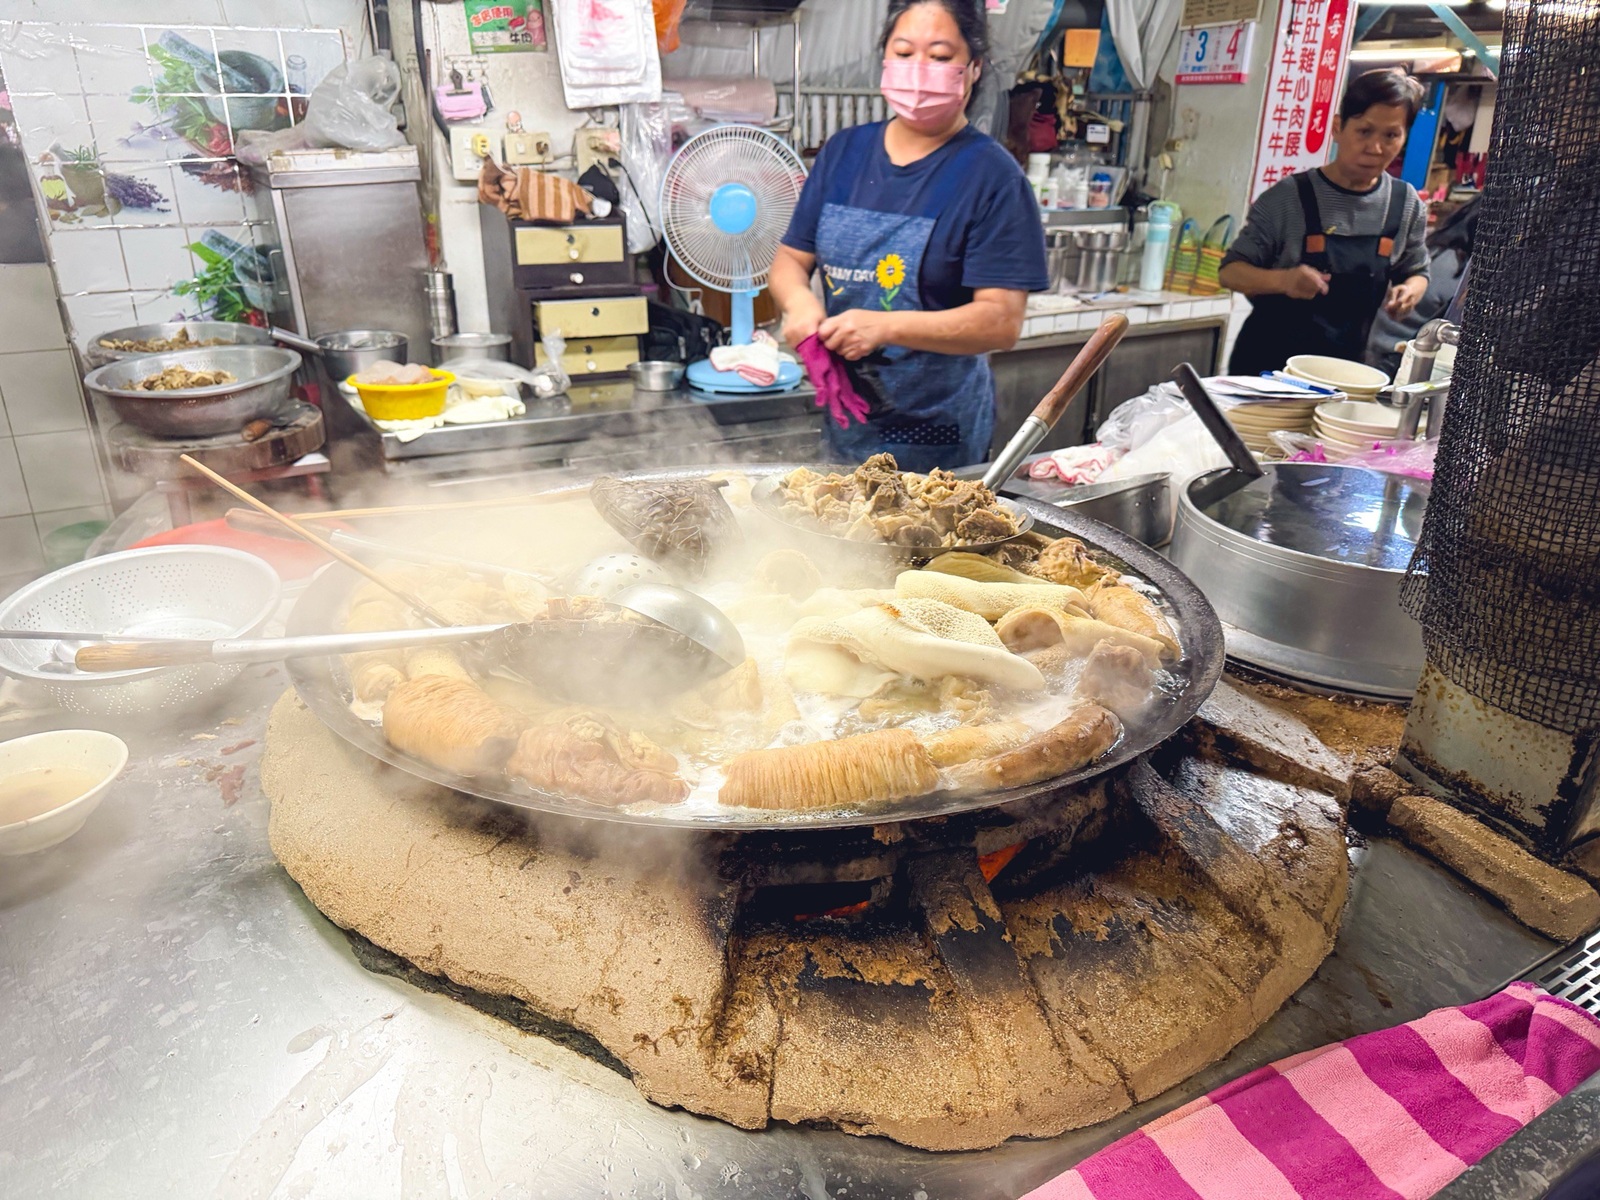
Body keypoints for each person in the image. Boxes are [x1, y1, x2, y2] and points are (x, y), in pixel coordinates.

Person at [767, 0, 1048, 472]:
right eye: (903, 52)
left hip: (938, 439)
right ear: (884, 59)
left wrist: (885, 325)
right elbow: (789, 262)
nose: (919, 70)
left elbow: (1001, 322)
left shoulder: (992, 177)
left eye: (940, 56)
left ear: (973, 68)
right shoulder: (843, 153)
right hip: (848, 423)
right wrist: (800, 306)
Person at [1220, 69, 1431, 375]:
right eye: (1364, 131)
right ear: (1337, 127)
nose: (1375, 148)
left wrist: (1410, 291)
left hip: (1346, 373)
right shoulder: (1288, 198)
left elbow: (1417, 270)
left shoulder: (1405, 204)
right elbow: (1230, 272)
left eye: (1391, 135)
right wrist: (1284, 280)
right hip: (1269, 372)